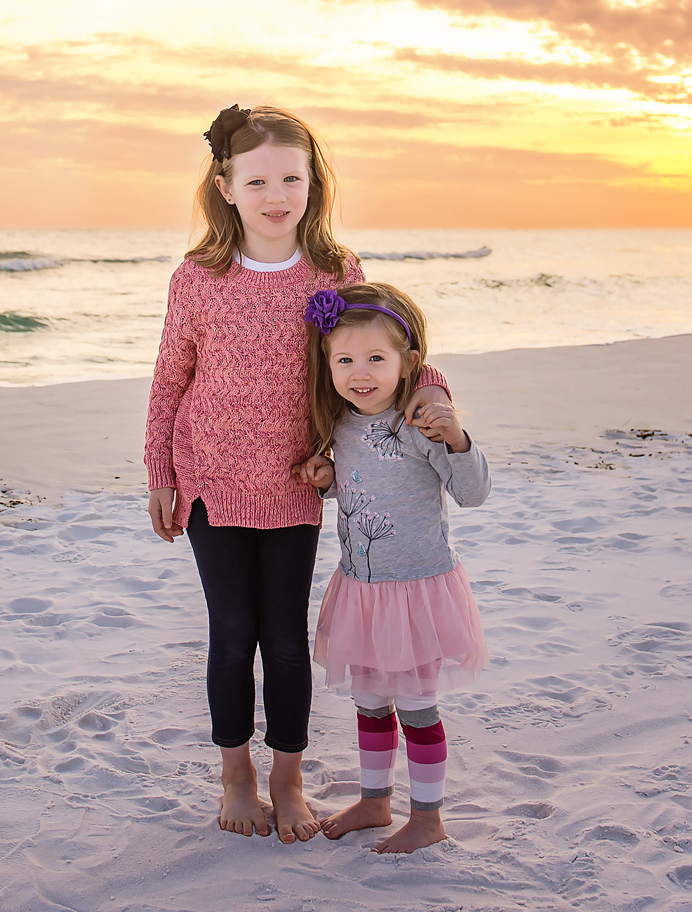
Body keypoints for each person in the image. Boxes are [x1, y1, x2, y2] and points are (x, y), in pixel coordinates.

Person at [144, 105, 454, 844]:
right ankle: (236, 773)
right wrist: (160, 469)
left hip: (294, 482)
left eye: (292, 177)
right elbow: (167, 380)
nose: (277, 194)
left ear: (314, 181)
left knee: (284, 636)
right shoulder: (198, 277)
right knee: (232, 631)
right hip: (210, 481)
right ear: (225, 185)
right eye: (257, 180)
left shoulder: (333, 269)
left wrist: (434, 388)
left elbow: (386, 339)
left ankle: (287, 776)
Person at [297, 282, 488, 854]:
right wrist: (327, 482)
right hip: (360, 589)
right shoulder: (341, 424)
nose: (361, 373)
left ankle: (427, 817)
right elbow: (363, 489)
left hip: (416, 593)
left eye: (376, 359)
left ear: (407, 364)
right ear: (327, 364)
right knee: (370, 702)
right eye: (346, 359)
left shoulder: (421, 424)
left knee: (417, 709)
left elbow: (472, 492)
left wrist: (455, 435)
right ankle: (376, 800)